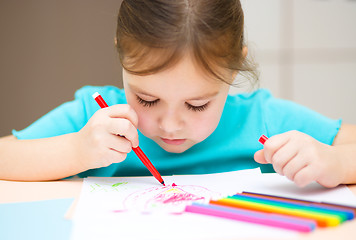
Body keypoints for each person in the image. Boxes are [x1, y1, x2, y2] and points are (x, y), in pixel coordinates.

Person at [0, 0, 355, 188]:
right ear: (122, 57)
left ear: (233, 69)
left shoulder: (265, 120)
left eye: (197, 104)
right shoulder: (95, 120)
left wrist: (335, 163)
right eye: (147, 100)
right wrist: (76, 150)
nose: (170, 125)